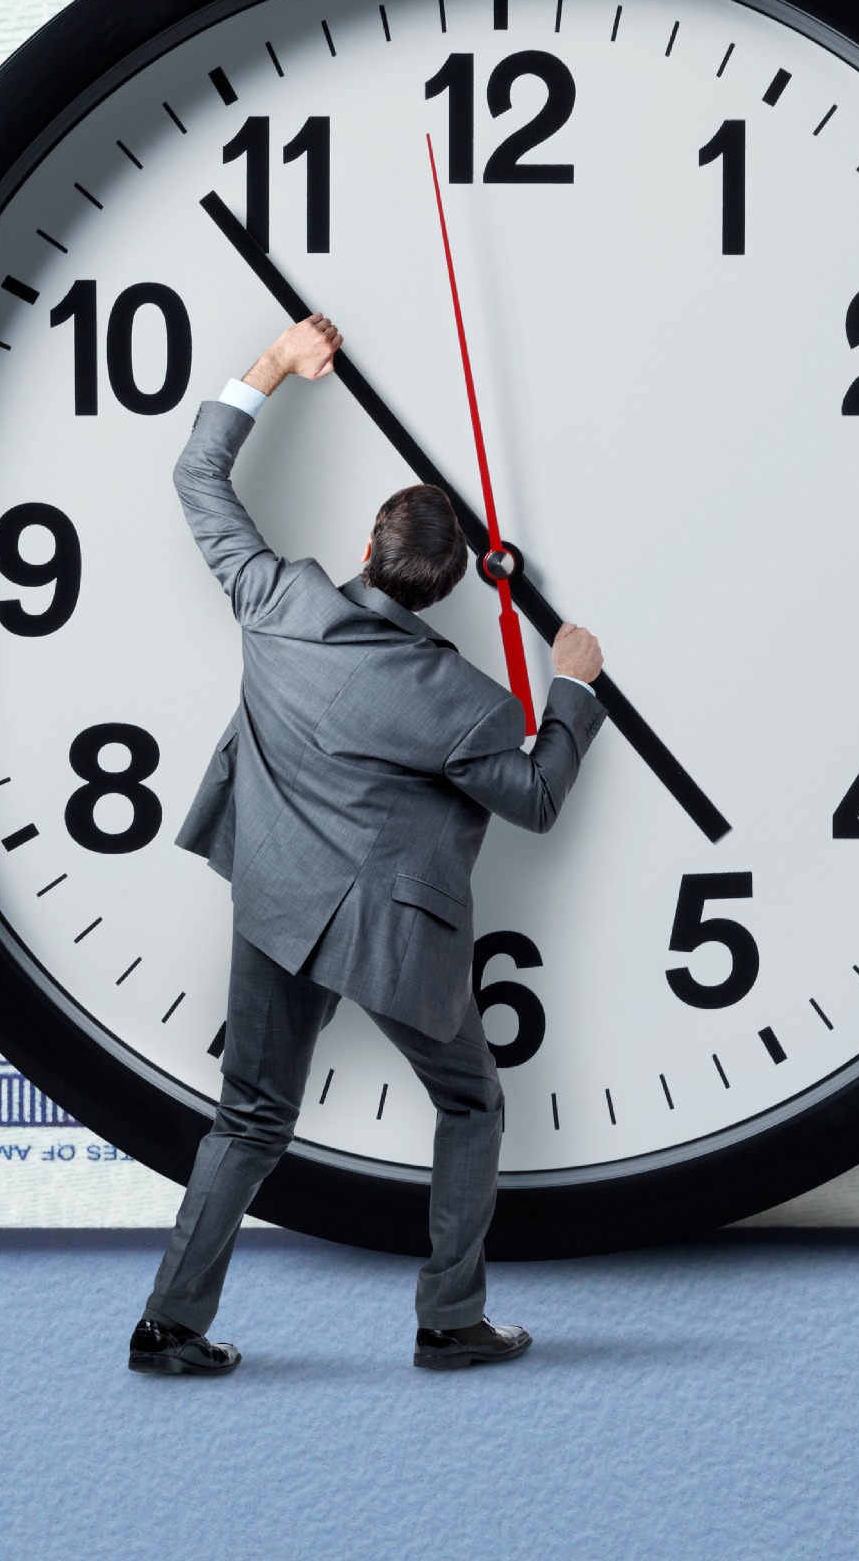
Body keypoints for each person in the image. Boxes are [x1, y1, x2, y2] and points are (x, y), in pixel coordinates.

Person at [128, 312, 607, 1377]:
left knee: (248, 1117)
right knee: (473, 1099)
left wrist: (277, 366)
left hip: (274, 901)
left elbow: (198, 474)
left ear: (366, 548)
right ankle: (449, 1321)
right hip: (386, 935)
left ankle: (168, 1325)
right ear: (447, 591)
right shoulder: (460, 700)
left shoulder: (276, 598)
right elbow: (534, 796)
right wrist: (573, 685)